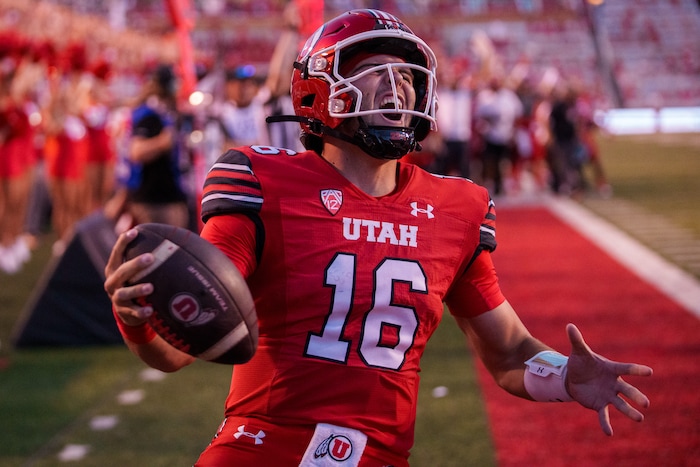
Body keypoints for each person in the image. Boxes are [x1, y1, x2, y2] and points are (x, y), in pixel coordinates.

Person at [104, 9, 652, 467]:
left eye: (407, 74)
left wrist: (564, 376)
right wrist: (137, 320)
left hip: (381, 456)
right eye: (374, 70)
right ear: (319, 89)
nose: (397, 86)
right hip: (262, 447)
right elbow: (178, 349)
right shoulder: (260, 180)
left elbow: (509, 352)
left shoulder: (456, 207)